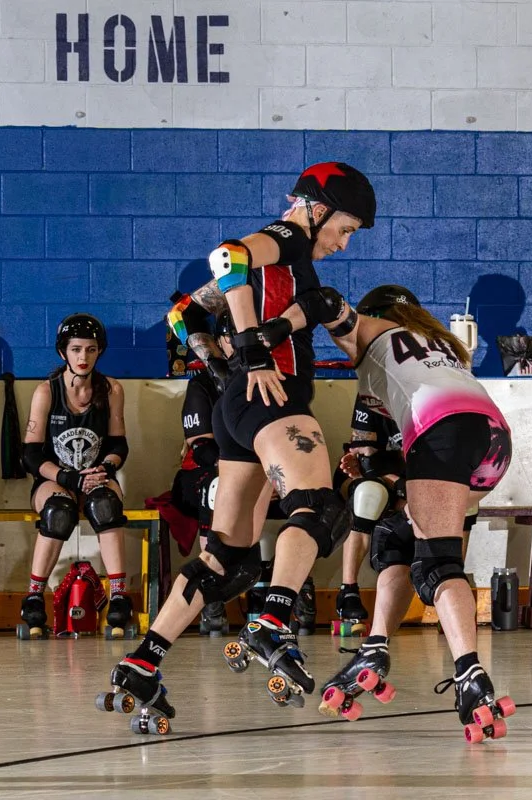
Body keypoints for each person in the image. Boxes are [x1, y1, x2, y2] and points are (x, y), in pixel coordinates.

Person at [100, 163, 376, 723]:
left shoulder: (290, 255)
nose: (343, 243)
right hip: (272, 401)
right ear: (316, 209)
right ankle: (273, 621)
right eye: (344, 228)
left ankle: (144, 661)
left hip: (240, 408)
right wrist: (250, 351)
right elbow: (227, 256)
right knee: (319, 506)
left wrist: (225, 372)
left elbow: (184, 313)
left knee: (226, 556)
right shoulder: (288, 237)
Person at [262, 284, 516, 741]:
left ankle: (468, 673)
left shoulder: (370, 333)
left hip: (441, 430)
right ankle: (375, 646)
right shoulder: (438, 343)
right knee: (399, 536)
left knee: (438, 565)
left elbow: (322, 300)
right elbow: (386, 459)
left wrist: (272, 332)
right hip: (491, 441)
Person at [19, 314, 133, 639]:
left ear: (99, 352)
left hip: (96, 477)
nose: (83, 358)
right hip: (54, 478)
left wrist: (106, 468)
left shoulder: (111, 389)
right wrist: (68, 479)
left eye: (91, 350)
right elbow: (31, 455)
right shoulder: (47, 391)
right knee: (59, 513)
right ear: (63, 353)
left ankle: (120, 597)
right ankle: (33, 597)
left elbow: (118, 444)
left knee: (106, 505)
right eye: (76, 349)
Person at [333, 365, 409, 634]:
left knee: (466, 499)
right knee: (368, 494)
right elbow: (364, 460)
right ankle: (348, 591)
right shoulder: (371, 392)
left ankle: (447, 578)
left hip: (411, 476)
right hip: (375, 476)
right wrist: (400, 485)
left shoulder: (428, 394)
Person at [174, 312, 234, 635]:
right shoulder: (203, 383)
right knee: (217, 486)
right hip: (198, 475)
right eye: (231, 337)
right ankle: (211, 595)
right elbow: (202, 450)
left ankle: (295, 592)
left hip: (250, 474)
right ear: (219, 341)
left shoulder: (261, 376)